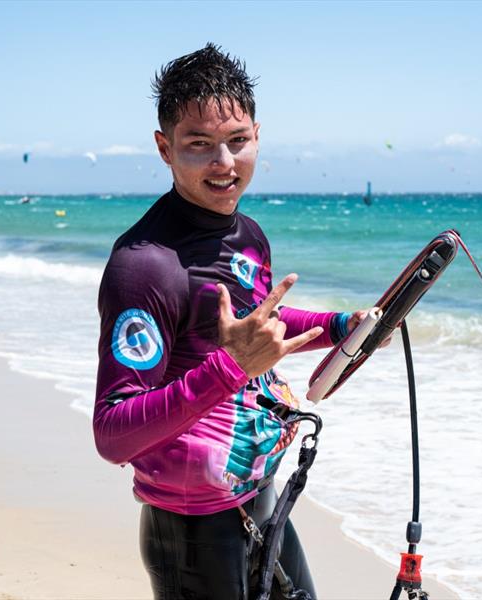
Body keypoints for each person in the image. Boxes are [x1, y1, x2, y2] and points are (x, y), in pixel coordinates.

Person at [92, 43, 359, 600]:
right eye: (199, 145)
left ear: (258, 135)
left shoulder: (250, 235)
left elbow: (252, 325)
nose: (224, 162)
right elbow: (113, 434)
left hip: (262, 498)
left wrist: (338, 327)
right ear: (165, 148)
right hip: (191, 534)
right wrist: (231, 368)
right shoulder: (144, 266)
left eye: (238, 141)